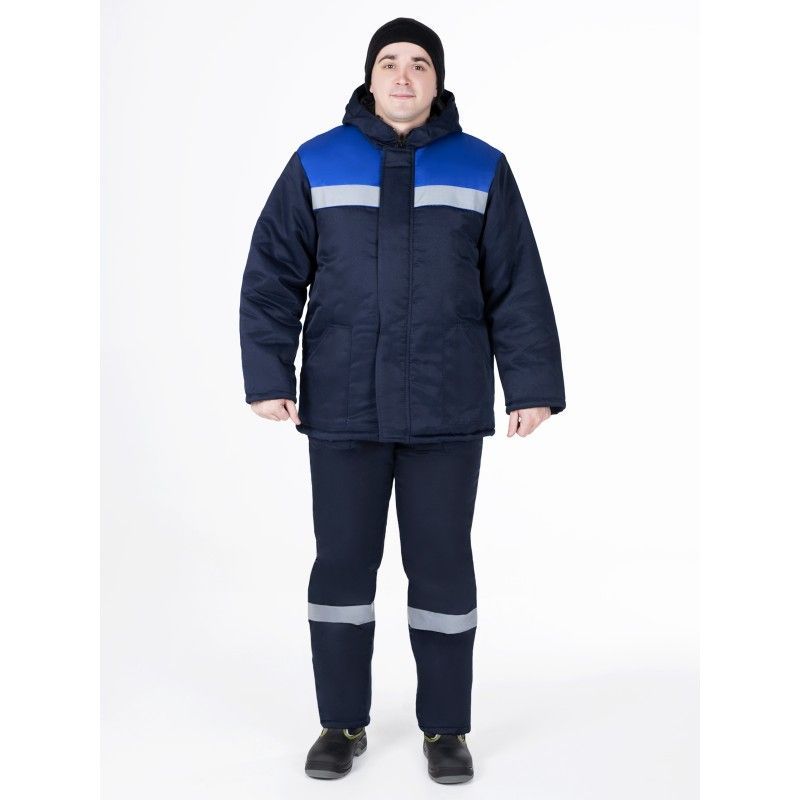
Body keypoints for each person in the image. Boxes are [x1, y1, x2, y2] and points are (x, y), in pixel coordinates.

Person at [239, 17, 566, 784]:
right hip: (342, 404)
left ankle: (445, 729)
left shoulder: (482, 167)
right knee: (342, 568)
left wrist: (532, 386)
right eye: (390, 61)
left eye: (420, 63)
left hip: (445, 405)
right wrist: (268, 374)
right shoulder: (318, 161)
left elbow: (516, 283)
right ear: (370, 76)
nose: (403, 75)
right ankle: (340, 724)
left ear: (437, 81)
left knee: (443, 570)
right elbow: (273, 273)